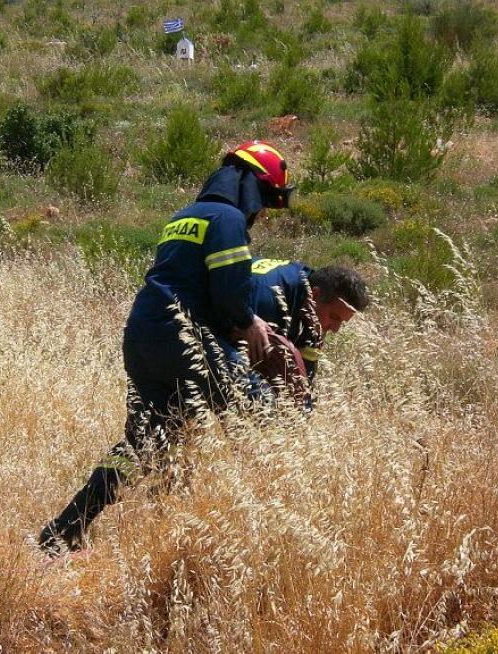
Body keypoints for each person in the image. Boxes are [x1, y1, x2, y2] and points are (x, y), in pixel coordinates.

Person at [38, 141, 294, 555]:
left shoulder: (185, 216)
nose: (262, 213)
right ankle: (271, 540)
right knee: (264, 415)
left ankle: (65, 529)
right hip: (182, 338)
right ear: (254, 188)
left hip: (144, 337)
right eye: (266, 201)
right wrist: (250, 322)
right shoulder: (227, 219)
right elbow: (229, 294)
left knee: (142, 442)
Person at [248, 259, 369, 394]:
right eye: (334, 317)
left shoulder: (311, 295)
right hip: (224, 320)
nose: (335, 329)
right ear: (315, 294)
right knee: (261, 397)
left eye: (342, 321)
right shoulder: (268, 299)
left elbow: (305, 379)